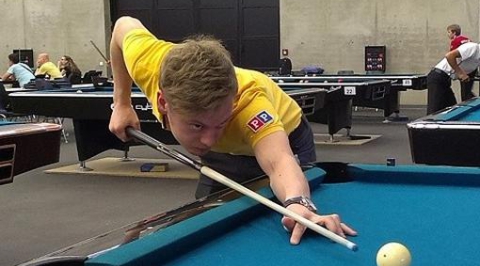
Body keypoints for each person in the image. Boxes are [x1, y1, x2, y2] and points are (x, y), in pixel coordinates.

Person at [108, 16, 356, 246]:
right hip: (224, 155)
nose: (209, 140)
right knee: (207, 223)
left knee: (283, 224)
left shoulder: (250, 103)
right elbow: (122, 26)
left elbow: (279, 160)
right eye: (197, 125)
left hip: (286, 139)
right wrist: (122, 103)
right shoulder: (149, 63)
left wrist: (298, 203)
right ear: (164, 102)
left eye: (222, 122)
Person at [446, 24, 474, 100]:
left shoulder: (455, 41)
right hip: (472, 67)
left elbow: (452, 55)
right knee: (468, 89)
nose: (448, 34)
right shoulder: (468, 39)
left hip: (464, 67)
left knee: (465, 91)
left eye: (449, 32)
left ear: (454, 33)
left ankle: (467, 103)